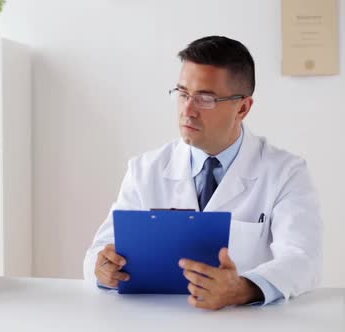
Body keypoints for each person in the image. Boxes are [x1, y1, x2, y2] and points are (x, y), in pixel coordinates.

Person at [83, 36, 322, 310]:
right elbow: (97, 253)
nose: (188, 110)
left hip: (242, 324)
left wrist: (244, 289)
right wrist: (103, 270)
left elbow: (303, 259)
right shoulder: (144, 170)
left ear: (242, 108)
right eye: (183, 93)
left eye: (205, 99)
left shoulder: (285, 172)